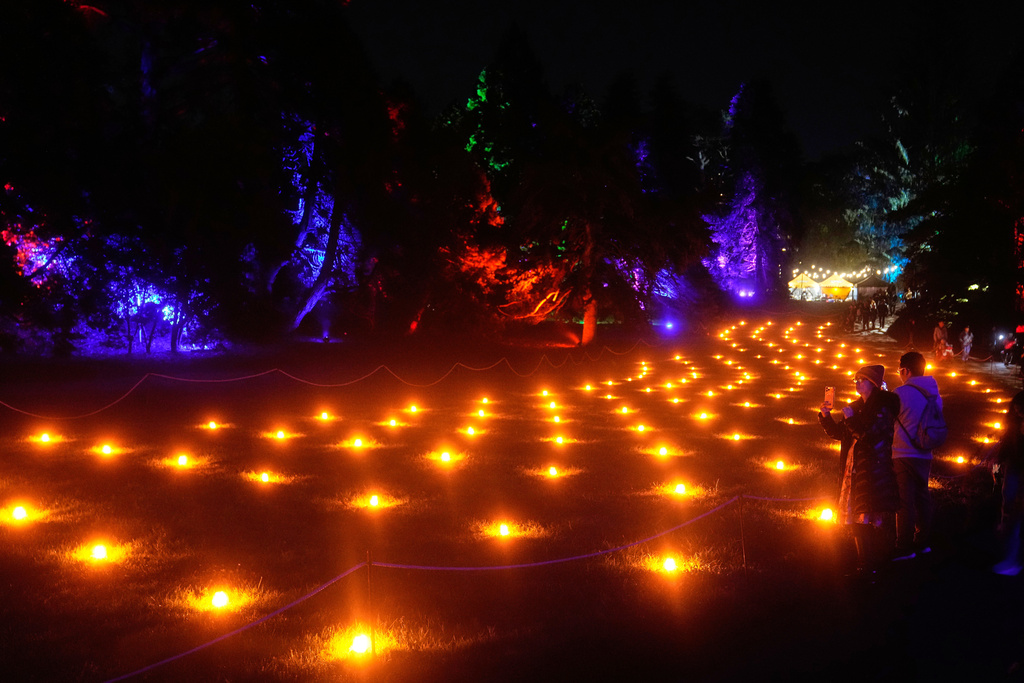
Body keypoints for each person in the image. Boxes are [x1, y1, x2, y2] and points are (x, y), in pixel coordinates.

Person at [819, 364, 900, 570]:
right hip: (855, 469)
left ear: (873, 384)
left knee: (869, 517)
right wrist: (826, 417)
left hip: (873, 471)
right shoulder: (856, 407)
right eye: (855, 379)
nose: (856, 383)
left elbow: (870, 437)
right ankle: (865, 564)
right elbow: (840, 433)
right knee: (857, 518)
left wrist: (852, 420)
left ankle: (872, 564)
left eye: (861, 380)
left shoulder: (883, 408)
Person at [891, 351, 942, 559]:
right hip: (925, 453)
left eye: (900, 370)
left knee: (904, 501)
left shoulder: (900, 393)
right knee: (922, 497)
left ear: (906, 370)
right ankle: (922, 542)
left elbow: (889, 419)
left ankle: (904, 547)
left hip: (903, 453)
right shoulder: (934, 393)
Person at [991, 391, 1024, 575]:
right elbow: (1003, 449)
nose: (1019, 414)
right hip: (1013, 468)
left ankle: (1013, 559)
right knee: (1009, 503)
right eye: (1017, 410)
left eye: (1022, 411)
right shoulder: (1013, 426)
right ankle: (1007, 548)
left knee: (1018, 510)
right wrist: (996, 470)